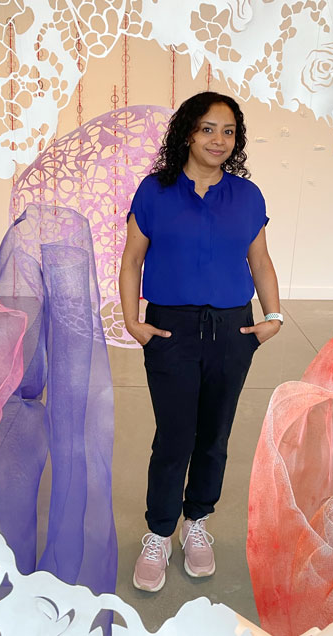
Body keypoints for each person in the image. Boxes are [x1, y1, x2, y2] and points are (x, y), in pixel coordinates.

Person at [119, 91, 282, 593]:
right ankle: (160, 531)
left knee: (215, 433)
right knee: (174, 436)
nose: (219, 139)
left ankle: (197, 523)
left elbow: (259, 260)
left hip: (233, 330)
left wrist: (272, 316)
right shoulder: (154, 191)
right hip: (171, 329)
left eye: (228, 131)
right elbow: (131, 261)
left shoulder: (248, 196)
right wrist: (133, 320)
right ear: (188, 131)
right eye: (208, 128)